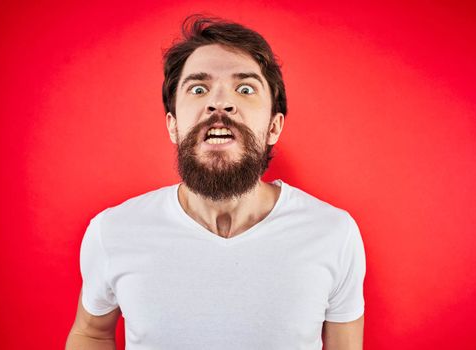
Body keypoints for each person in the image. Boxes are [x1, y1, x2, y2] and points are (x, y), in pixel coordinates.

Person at [66, 15, 366, 350]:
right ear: (173, 125)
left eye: (245, 88)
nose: (220, 103)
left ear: (273, 127)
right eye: (198, 88)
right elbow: (90, 332)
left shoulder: (334, 233)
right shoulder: (113, 231)